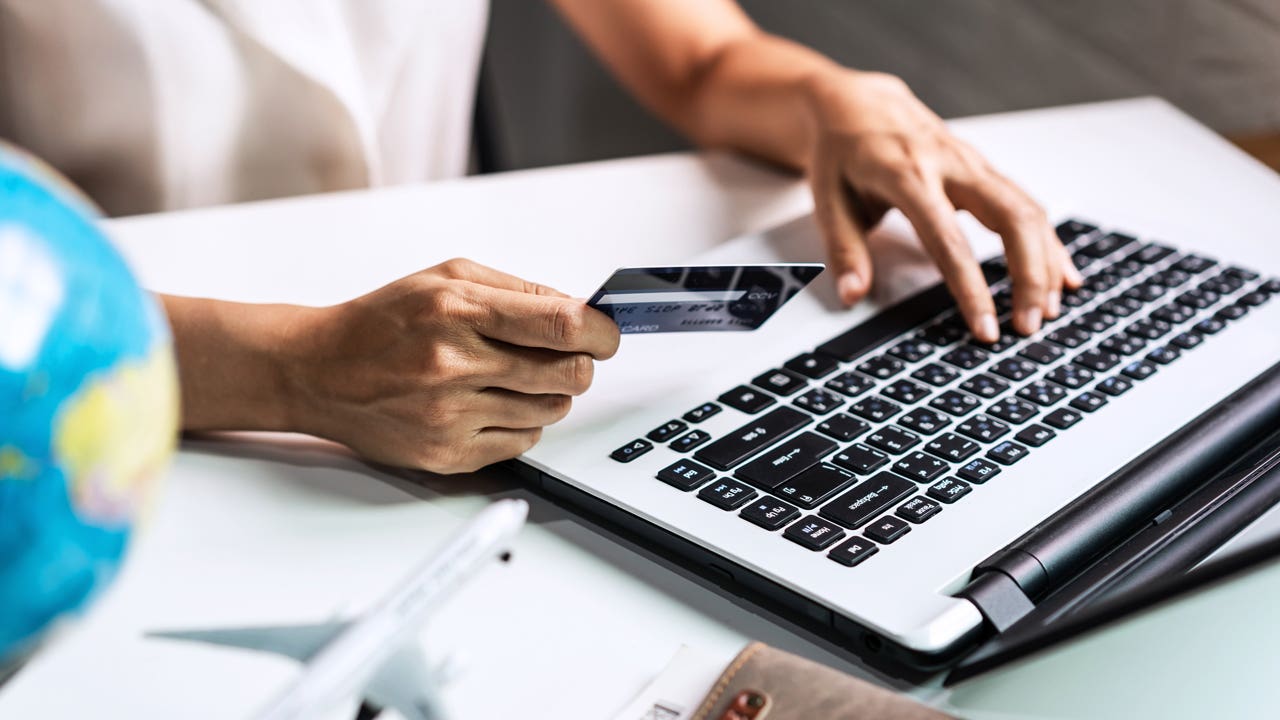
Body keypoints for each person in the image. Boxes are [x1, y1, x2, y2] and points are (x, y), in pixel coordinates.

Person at [0, 0, 1080, 474]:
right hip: (104, 429)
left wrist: (833, 100)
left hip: (464, 398)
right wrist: (287, 370)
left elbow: (699, 57)